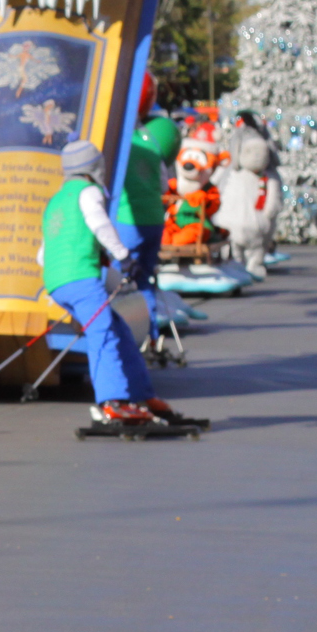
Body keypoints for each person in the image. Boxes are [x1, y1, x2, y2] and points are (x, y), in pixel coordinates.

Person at [41, 139, 190, 427]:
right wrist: (123, 257)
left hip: (57, 281)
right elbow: (99, 224)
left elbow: (43, 253)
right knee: (105, 334)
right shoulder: (88, 192)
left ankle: (141, 396)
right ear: (93, 167)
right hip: (81, 278)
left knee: (119, 331)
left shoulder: (56, 201)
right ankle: (113, 403)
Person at [118, 116, 180, 302]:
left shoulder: (121, 146)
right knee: (145, 279)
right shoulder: (152, 146)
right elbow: (163, 186)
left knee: (120, 278)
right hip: (154, 219)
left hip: (128, 219)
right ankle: (150, 319)